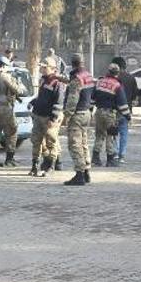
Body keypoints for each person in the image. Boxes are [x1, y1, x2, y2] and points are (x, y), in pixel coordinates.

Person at [28, 57, 66, 177]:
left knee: (51, 142)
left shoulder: (57, 83)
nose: (42, 69)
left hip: (49, 118)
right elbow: (41, 97)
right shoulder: (43, 80)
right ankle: (35, 165)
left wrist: (53, 118)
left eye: (45, 67)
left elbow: (58, 102)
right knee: (36, 141)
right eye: (42, 67)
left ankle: (50, 166)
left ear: (53, 69)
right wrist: (33, 102)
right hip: (38, 116)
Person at [61, 53, 95, 186]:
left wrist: (67, 115)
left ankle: (79, 174)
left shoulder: (76, 78)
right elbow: (93, 94)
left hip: (77, 114)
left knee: (75, 144)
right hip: (86, 112)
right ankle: (86, 172)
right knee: (84, 143)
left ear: (73, 63)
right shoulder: (88, 75)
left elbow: (72, 99)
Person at [0, 56, 27, 167]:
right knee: (11, 133)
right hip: (5, 109)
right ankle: (9, 159)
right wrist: (19, 83)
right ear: (4, 66)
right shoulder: (5, 76)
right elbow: (19, 90)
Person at [92, 63, 131, 168]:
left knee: (99, 135)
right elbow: (122, 103)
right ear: (117, 73)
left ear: (108, 72)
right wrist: (127, 116)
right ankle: (110, 159)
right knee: (111, 135)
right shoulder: (117, 85)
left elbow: (92, 98)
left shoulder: (99, 82)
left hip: (99, 112)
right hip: (110, 114)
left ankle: (95, 158)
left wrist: (91, 109)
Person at [111, 57, 138, 164]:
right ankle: (122, 154)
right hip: (127, 109)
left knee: (114, 133)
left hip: (114, 109)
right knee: (124, 132)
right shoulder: (131, 78)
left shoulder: (113, 78)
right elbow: (135, 94)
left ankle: (115, 153)